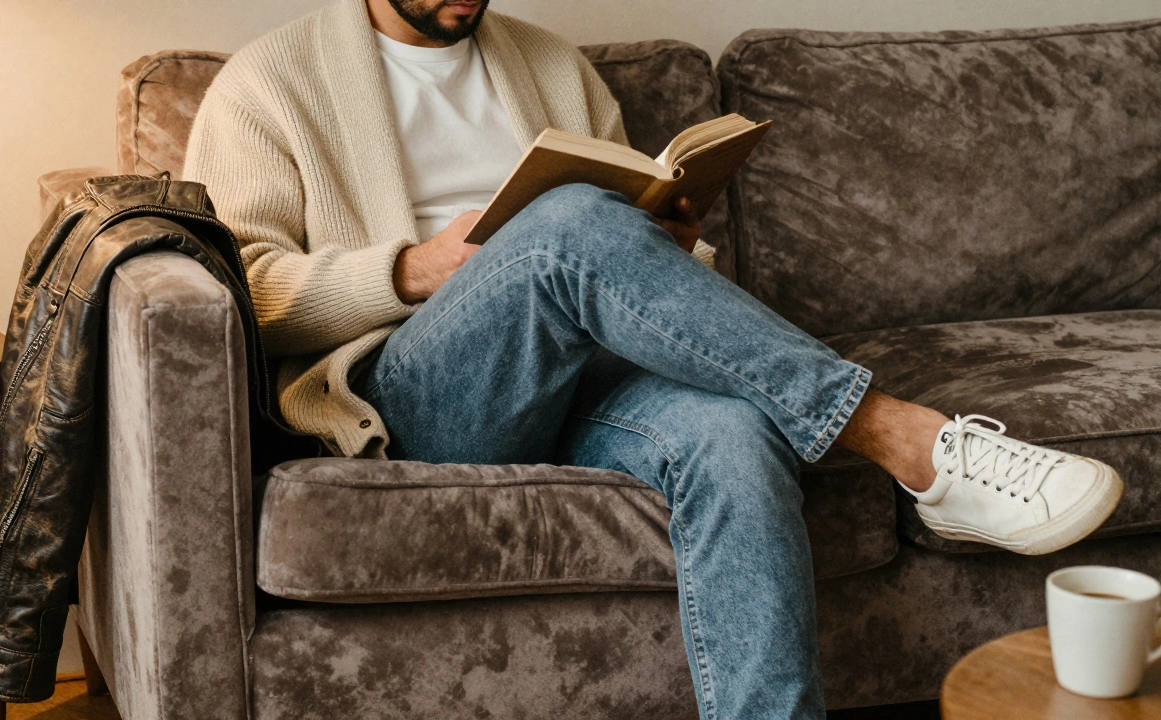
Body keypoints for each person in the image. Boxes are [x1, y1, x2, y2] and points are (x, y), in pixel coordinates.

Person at [183, 0, 1124, 717]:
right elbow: (243, 288)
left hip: (584, 373)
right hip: (415, 388)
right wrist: (412, 266)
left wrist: (669, 240)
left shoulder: (547, 63)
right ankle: (908, 438)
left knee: (732, 433)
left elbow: (611, 240)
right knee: (562, 228)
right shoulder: (269, 82)